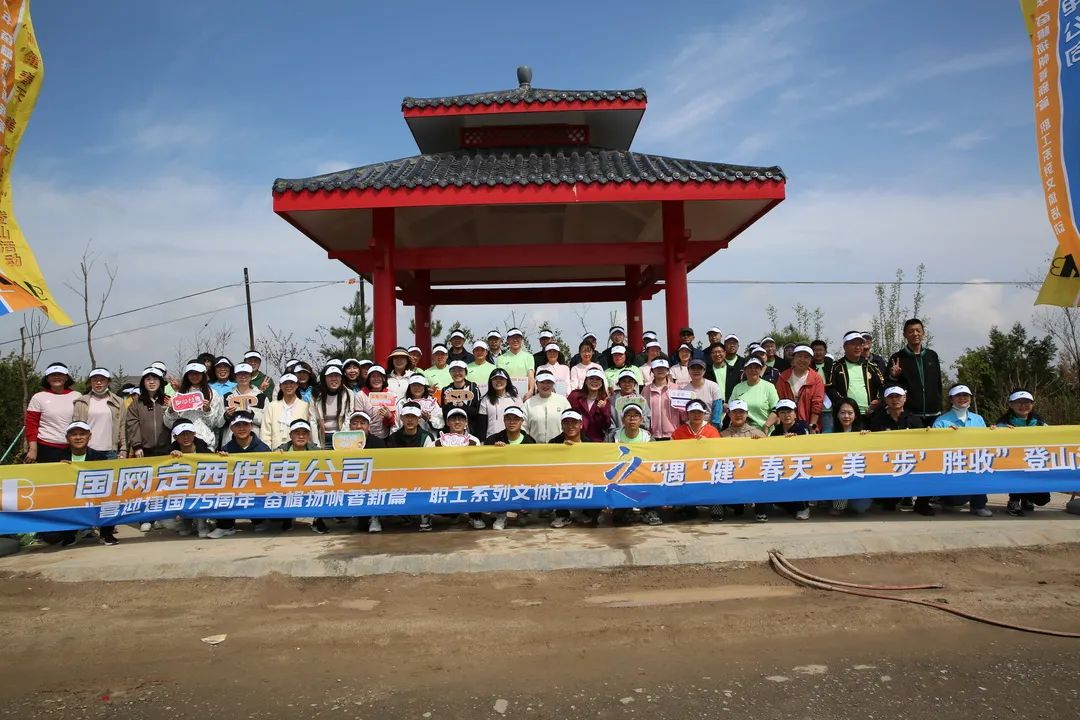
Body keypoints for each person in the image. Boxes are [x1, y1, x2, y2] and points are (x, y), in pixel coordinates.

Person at [45, 422, 119, 546]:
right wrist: (58, 470)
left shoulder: (99, 458)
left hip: (93, 500)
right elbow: (48, 484)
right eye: (74, 434)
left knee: (110, 500)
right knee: (51, 537)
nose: (78, 437)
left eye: (82, 434)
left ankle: (106, 534)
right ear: (67, 438)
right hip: (67, 503)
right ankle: (72, 533)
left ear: (89, 436)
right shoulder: (55, 458)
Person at [932, 384, 993, 518]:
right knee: (957, 500)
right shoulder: (941, 421)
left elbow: (985, 441)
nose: (962, 398)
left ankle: (979, 505)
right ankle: (944, 498)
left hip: (974, 461)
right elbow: (936, 447)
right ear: (951, 399)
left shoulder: (978, 419)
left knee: (980, 473)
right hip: (953, 464)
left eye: (965, 395)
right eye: (958, 396)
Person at [210, 411, 272, 538]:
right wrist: (220, 459)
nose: (242, 428)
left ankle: (259, 520)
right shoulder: (226, 449)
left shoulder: (263, 449)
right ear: (231, 428)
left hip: (256, 489)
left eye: (245, 424)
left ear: (251, 426)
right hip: (234, 489)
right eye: (237, 425)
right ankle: (225, 525)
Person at [996, 389, 1052, 516]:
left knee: (1043, 499)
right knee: (1017, 472)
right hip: (1011, 468)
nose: (1023, 406)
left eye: (1027, 402)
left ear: (1032, 404)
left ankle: (1026, 498)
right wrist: (997, 432)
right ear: (1011, 405)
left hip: (1034, 465)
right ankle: (1014, 500)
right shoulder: (1002, 425)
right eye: (1018, 402)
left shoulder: (1041, 425)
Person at [756, 399, 811, 522]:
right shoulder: (776, 431)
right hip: (781, 466)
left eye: (789, 412)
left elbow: (806, 443)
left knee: (798, 479)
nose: (786, 415)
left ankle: (803, 508)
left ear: (795, 413)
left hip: (799, 464)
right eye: (782, 412)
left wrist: (795, 439)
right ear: (778, 416)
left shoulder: (802, 426)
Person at [386, 402, 436, 531]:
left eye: (413, 417)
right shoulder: (393, 438)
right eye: (407, 416)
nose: (410, 420)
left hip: (421, 476)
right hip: (399, 475)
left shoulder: (427, 437)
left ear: (419, 418)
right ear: (401, 418)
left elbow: (429, 462)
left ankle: (425, 516)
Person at [482, 405, 533, 531]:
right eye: (508, 418)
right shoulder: (493, 440)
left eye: (516, 419)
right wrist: (495, 452)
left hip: (521, 481)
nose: (512, 422)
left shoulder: (529, 441)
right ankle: (501, 515)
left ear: (522, 421)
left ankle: (523, 511)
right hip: (500, 480)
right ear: (504, 421)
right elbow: (485, 465)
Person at [887, 318, 944, 427]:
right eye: (911, 331)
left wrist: (941, 406)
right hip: (909, 415)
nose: (915, 334)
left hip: (934, 414)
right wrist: (893, 376)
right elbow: (888, 386)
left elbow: (938, 384)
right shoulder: (897, 357)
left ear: (923, 333)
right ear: (904, 335)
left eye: (918, 330)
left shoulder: (932, 355)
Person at [612, 402, 660, 526]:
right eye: (628, 415)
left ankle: (650, 511)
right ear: (623, 419)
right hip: (621, 476)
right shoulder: (613, 437)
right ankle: (625, 510)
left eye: (636, 416)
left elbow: (656, 458)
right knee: (618, 519)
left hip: (644, 475)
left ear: (641, 419)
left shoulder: (648, 438)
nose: (632, 419)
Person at [24, 362, 81, 464]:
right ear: (47, 378)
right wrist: (33, 449)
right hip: (45, 448)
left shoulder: (77, 396)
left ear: (66, 377)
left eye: (60, 374)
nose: (56, 377)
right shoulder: (38, 397)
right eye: (53, 375)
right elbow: (31, 425)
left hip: (72, 448)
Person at [164, 361, 225, 451]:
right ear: (187, 375)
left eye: (197, 373)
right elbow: (169, 424)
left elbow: (215, 424)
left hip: (205, 442)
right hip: (181, 444)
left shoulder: (213, 394)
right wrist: (171, 410)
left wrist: (207, 411)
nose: (194, 376)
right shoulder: (178, 395)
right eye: (191, 373)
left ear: (203, 374)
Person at [71, 367, 127, 460]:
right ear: (90, 383)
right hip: (87, 450)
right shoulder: (81, 402)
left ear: (108, 382)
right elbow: (75, 428)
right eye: (95, 380)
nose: (98, 383)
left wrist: (123, 448)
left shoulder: (118, 402)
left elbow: (122, 426)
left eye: (102, 380)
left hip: (110, 451)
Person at [827, 331, 885, 417]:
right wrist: (842, 403)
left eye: (860, 344)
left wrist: (877, 400)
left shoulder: (872, 366)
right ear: (845, 346)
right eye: (853, 344)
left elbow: (882, 386)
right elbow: (830, 388)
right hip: (846, 416)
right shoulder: (835, 367)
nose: (857, 347)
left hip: (870, 414)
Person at [776, 345, 825, 433]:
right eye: (799, 356)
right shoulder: (783, 377)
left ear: (811, 360)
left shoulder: (816, 379)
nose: (802, 360)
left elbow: (817, 404)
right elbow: (780, 402)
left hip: (808, 424)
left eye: (806, 357)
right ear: (793, 358)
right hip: (787, 426)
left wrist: (812, 426)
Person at [126, 366, 172, 460]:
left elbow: (175, 421)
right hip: (144, 451)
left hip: (167, 449)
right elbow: (132, 425)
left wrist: (172, 409)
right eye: (148, 379)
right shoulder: (136, 404)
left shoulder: (168, 401)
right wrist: (137, 446)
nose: (152, 382)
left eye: (155, 379)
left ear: (160, 382)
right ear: (143, 382)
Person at [728, 358, 780, 433]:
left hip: (764, 431)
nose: (753, 370)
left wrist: (766, 426)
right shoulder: (737, 387)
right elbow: (730, 409)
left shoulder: (769, 387)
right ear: (745, 370)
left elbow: (776, 409)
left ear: (761, 370)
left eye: (756, 367)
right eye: (750, 368)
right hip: (741, 431)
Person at [221, 362, 267, 447]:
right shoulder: (227, 397)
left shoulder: (261, 397)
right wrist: (227, 415)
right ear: (235, 377)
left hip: (255, 444)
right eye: (239, 374)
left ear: (251, 376)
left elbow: (266, 421)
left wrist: (250, 412)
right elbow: (218, 423)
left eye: (246, 374)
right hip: (230, 444)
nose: (243, 377)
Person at [261, 373, 310, 450]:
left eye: (291, 383)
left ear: (297, 385)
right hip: (275, 451)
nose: (288, 386)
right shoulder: (272, 406)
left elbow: (308, 431)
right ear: (280, 386)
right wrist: (268, 451)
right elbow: (265, 432)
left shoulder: (304, 406)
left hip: (299, 451)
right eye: (285, 383)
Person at [311, 365, 355, 447]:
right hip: (322, 437)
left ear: (341, 378)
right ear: (324, 378)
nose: (334, 379)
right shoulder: (316, 395)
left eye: (337, 376)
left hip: (341, 435)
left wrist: (343, 439)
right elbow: (313, 420)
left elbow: (348, 417)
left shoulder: (349, 394)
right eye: (330, 376)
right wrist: (316, 444)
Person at [642, 359, 686, 440]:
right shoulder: (646, 390)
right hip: (652, 436)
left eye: (663, 368)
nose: (660, 370)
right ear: (652, 370)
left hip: (673, 435)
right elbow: (643, 411)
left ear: (668, 370)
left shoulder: (677, 389)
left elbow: (683, 414)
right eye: (657, 368)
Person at [523, 371, 571, 443]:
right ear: (536, 384)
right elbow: (523, 427)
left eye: (549, 382)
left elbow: (569, 423)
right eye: (542, 382)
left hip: (558, 445)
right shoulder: (528, 403)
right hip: (535, 446)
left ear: (553, 384)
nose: (545, 386)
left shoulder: (563, 401)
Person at [566, 368, 613, 442]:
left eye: (598, 379)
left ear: (602, 383)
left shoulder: (605, 400)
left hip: (596, 442)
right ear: (586, 381)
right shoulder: (574, 396)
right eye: (591, 378)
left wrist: (603, 410)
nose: (594, 381)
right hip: (576, 440)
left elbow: (606, 425)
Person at [442, 360, 484, 439]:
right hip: (451, 432)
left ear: (466, 372)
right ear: (450, 373)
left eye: (460, 370)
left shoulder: (473, 389)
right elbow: (444, 414)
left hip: (471, 431)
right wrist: (447, 404)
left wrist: (463, 405)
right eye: (454, 371)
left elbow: (477, 412)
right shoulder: (446, 390)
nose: (457, 373)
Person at [357, 365, 396, 441]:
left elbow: (392, 422)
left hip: (384, 436)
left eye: (379, 376)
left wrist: (389, 416)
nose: (376, 379)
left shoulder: (391, 395)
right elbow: (358, 418)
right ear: (368, 379)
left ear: (384, 378)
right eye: (373, 376)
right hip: (365, 437)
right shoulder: (360, 395)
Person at [479, 368, 519, 438]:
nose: (498, 381)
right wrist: (482, 441)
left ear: (507, 381)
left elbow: (521, 421)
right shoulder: (485, 400)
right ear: (491, 382)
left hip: (511, 439)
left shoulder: (516, 398)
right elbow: (482, 425)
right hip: (491, 439)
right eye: (495, 379)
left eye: (501, 379)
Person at [495, 328, 535, 397]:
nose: (515, 340)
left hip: (525, 395)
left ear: (521, 340)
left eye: (518, 338)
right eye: (512, 338)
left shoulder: (529, 357)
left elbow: (531, 376)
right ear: (508, 340)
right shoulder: (501, 358)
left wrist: (531, 391)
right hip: (506, 395)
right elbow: (500, 378)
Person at [705, 335, 744, 402]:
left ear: (725, 353)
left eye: (720, 352)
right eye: (714, 352)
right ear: (710, 355)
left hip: (731, 405)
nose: (717, 354)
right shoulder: (706, 372)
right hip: (712, 404)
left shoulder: (734, 371)